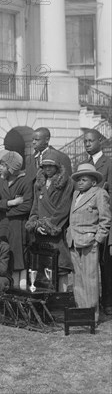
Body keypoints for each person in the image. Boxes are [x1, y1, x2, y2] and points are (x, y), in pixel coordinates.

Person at [66, 163, 111, 322]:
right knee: (77, 279)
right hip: (74, 241)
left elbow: (105, 220)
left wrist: (98, 239)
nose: (79, 182)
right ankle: (81, 312)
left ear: (93, 182)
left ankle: (92, 315)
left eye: (84, 179)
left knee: (90, 279)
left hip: (89, 242)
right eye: (78, 179)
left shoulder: (99, 193)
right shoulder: (75, 194)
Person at [25, 153, 73, 291]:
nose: (47, 169)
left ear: (57, 166)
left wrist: (49, 226)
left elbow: (64, 208)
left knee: (61, 267)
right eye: (44, 166)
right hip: (40, 233)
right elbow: (35, 207)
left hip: (56, 231)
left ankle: (61, 298)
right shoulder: (38, 183)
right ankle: (46, 300)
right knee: (43, 266)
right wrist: (36, 225)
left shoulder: (67, 182)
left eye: (51, 166)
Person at [0, 150, 33, 288]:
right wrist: (10, 203)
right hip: (4, 227)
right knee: (5, 258)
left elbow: (27, 206)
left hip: (19, 226)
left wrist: (4, 211)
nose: (0, 167)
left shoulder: (25, 181)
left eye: (3, 164)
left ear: (12, 168)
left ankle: (21, 288)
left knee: (20, 260)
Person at [82, 129, 112, 315]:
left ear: (100, 141)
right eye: (85, 141)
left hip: (103, 219)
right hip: (87, 221)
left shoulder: (108, 164)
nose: (86, 144)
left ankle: (108, 301)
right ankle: (90, 301)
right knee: (89, 263)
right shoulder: (84, 165)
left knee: (105, 263)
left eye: (90, 141)